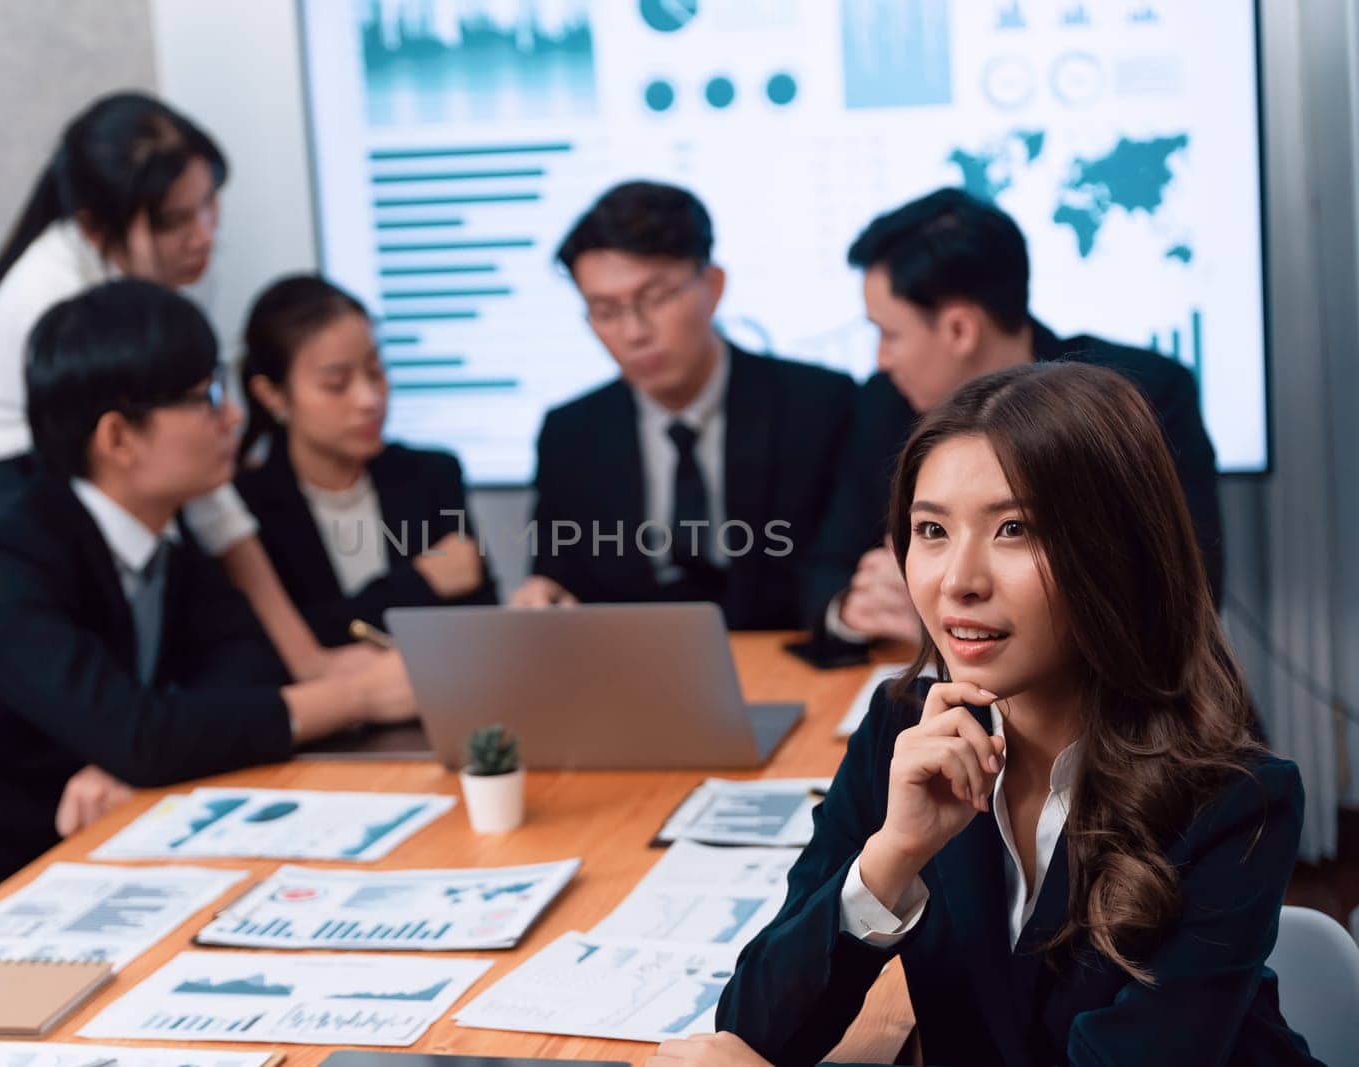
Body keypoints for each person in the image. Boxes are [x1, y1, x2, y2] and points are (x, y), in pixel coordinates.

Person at [659, 363, 1314, 1067]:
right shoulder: (901, 728)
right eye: (931, 530)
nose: (958, 582)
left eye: (1014, 529)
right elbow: (752, 1026)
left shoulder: (1235, 798)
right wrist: (890, 858)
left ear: (1117, 551)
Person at [0, 281, 417, 995]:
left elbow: (237, 660)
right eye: (205, 396)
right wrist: (357, 695)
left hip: (52, 869)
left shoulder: (154, 521)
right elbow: (141, 730)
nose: (233, 417)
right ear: (118, 437)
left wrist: (137, 750)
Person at [0, 90, 361, 681]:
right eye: (173, 221)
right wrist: (310, 663)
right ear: (93, 225)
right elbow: (206, 491)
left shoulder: (156, 274)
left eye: (209, 205)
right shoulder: (58, 304)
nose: (203, 236)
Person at [801, 188, 1223, 651]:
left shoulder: (1137, 395)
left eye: (889, 334)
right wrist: (856, 607)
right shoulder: (883, 404)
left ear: (960, 329)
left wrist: (946, 612)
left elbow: (1187, 589)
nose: (881, 359)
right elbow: (825, 569)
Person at [510, 181, 856, 629]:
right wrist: (543, 597)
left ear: (713, 286)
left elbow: (837, 565)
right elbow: (556, 577)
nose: (634, 332)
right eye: (605, 310)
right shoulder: (570, 434)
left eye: (654, 298)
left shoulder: (818, 405)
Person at [234, 275, 497, 646]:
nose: (369, 399)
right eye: (337, 384)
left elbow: (480, 626)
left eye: (375, 371)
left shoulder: (431, 476)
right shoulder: (244, 506)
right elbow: (268, 647)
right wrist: (417, 583)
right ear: (272, 394)